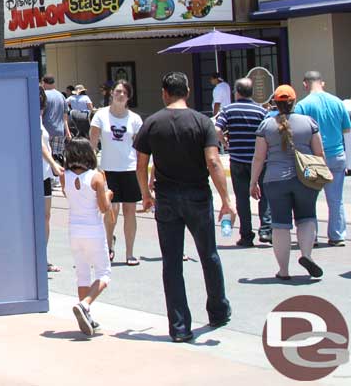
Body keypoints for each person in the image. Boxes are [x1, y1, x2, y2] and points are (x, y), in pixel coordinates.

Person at [134, 72, 234, 343]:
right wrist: (226, 199)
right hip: (198, 194)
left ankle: (179, 326)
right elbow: (213, 162)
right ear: (187, 92)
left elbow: (141, 165)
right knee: (208, 254)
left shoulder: (151, 123)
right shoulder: (202, 122)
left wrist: (145, 194)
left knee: (172, 262)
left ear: (164, 93)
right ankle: (218, 310)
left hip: (166, 197)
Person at [251, 85, 325, 280]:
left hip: (275, 180)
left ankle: (283, 271)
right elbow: (319, 153)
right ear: (294, 101)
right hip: (305, 178)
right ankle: (306, 255)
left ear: (275, 103)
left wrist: (253, 182)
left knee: (280, 224)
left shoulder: (266, 125)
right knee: (307, 217)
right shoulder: (309, 122)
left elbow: (259, 158)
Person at [61, 138, 113, 336]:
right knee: (104, 274)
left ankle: (86, 313)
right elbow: (103, 207)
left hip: (74, 229)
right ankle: (85, 305)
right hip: (93, 229)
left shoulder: (65, 176)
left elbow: (71, 198)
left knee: (82, 273)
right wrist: (108, 195)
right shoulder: (96, 177)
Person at [89, 80, 143, 266]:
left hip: (129, 169)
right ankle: (108, 245)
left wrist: (143, 171)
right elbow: (93, 144)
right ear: (111, 93)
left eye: (124, 93)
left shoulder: (135, 119)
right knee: (111, 211)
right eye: (117, 91)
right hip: (108, 169)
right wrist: (92, 168)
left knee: (130, 211)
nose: (120, 95)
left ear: (129, 97)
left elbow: (140, 148)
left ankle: (130, 253)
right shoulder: (100, 116)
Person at [294, 71, 351, 246]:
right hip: (337, 155)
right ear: (322, 83)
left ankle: (312, 237)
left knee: (310, 199)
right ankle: (337, 235)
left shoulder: (302, 105)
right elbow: (346, 129)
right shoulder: (337, 102)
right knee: (336, 199)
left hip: (313, 158)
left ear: (305, 84)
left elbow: (297, 132)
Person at [215, 78, 271, 246]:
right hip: (259, 160)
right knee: (265, 196)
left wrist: (224, 143)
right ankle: (266, 230)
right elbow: (268, 131)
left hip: (238, 159)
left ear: (237, 92)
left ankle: (246, 235)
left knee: (242, 198)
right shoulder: (261, 111)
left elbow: (217, 128)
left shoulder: (228, 110)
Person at [39, 88, 66, 274]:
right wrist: (54, 164)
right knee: (39, 216)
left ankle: (43, 257)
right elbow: (38, 143)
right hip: (36, 173)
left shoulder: (39, 117)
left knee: (46, 216)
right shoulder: (29, 116)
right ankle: (39, 258)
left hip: (44, 174)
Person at [41, 76, 72, 167]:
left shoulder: (43, 95)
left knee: (46, 158)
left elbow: (40, 114)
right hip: (59, 131)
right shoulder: (61, 95)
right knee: (57, 156)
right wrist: (68, 132)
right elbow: (65, 117)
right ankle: (57, 177)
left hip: (46, 131)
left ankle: (49, 179)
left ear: (44, 83)